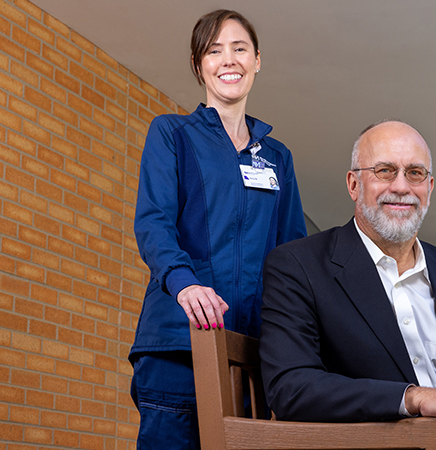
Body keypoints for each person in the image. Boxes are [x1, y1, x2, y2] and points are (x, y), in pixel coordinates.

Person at [260, 120, 436, 450]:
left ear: (430, 188)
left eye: (414, 173)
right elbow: (291, 387)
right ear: (353, 184)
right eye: (385, 171)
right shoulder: (298, 265)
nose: (401, 186)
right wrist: (415, 398)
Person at [130, 10, 306, 449]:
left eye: (239, 48)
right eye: (214, 50)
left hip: (248, 356)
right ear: (199, 66)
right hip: (178, 346)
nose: (228, 60)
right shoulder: (172, 134)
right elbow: (153, 222)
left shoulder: (277, 158)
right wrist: (184, 285)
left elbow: (292, 253)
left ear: (258, 60)